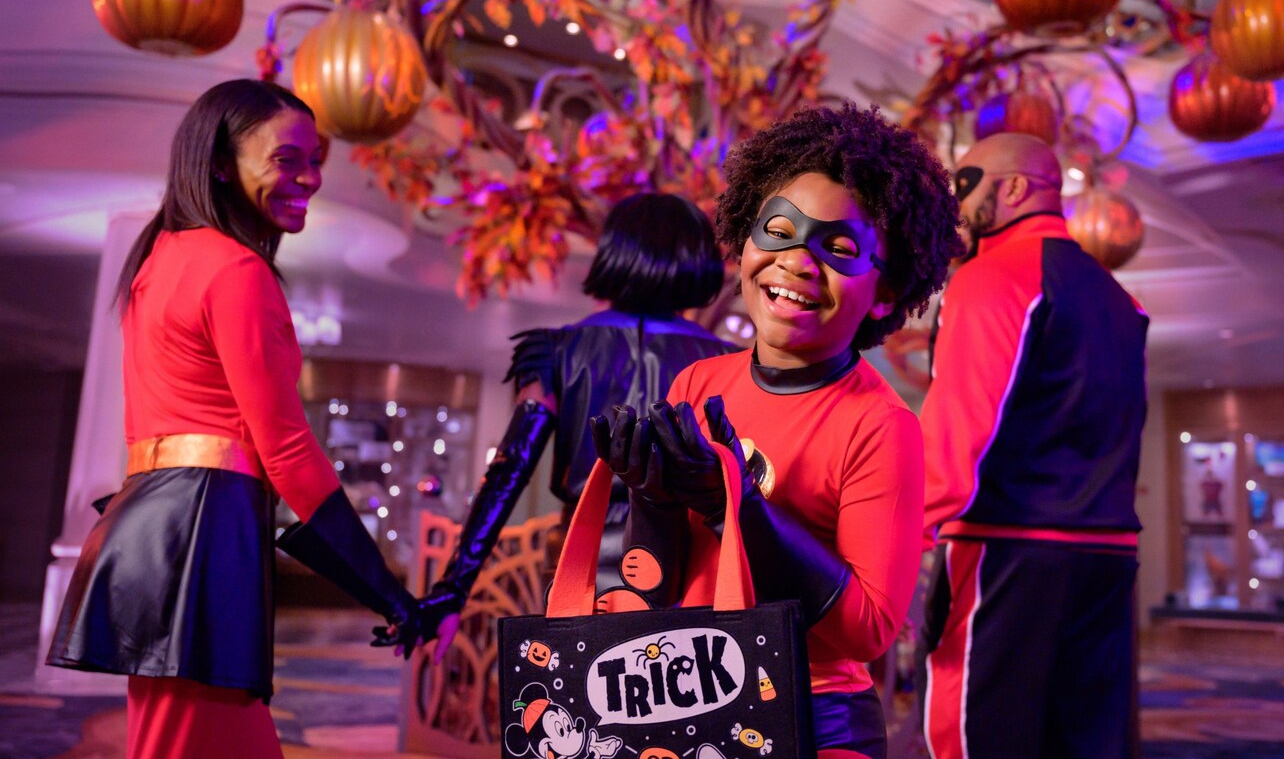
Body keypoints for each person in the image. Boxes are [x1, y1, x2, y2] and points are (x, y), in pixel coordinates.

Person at [45, 79, 419, 759]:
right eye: (288, 159)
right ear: (220, 161)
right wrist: (390, 594)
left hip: (153, 522)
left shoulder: (159, 261)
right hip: (201, 536)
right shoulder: (237, 271)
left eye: (315, 160)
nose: (309, 177)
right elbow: (288, 454)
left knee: (182, 741)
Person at [590, 103, 962, 759]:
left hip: (814, 722)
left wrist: (737, 506)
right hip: (689, 705)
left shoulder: (881, 425)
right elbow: (656, 586)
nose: (795, 262)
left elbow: (870, 631)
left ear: (884, 291)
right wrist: (647, 495)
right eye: (780, 230)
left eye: (838, 249)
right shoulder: (698, 385)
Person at [404, 192, 737, 661]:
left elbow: (509, 468)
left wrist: (452, 590)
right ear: (696, 256)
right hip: (689, 564)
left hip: (578, 559)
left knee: (578, 711)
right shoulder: (727, 363)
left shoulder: (557, 350)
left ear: (614, 252)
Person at [917, 132, 1149, 759]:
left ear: (1014, 188)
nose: (954, 202)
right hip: (1108, 552)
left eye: (964, 184)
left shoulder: (991, 276)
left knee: (975, 738)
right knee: (1085, 741)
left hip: (1008, 547)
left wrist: (894, 535)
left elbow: (959, 430)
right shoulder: (1122, 299)